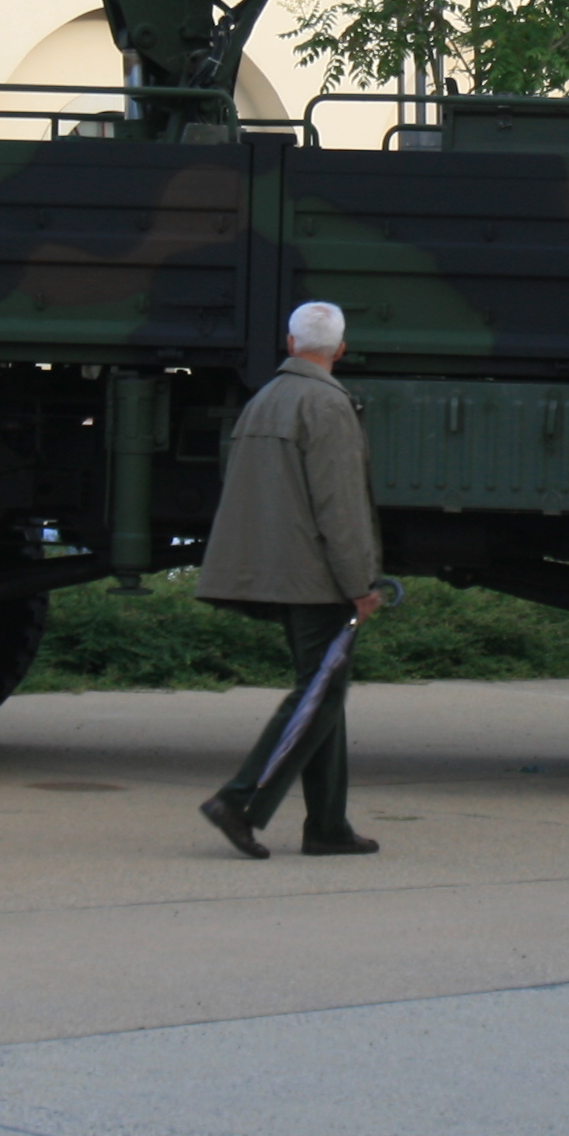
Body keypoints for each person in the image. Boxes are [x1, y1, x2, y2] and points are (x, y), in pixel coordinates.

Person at [194, 301, 388, 859]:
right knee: (317, 694)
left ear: (289, 343)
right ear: (342, 350)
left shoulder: (266, 399)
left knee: (324, 693)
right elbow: (340, 508)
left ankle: (327, 826)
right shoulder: (327, 405)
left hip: (279, 570)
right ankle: (240, 801)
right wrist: (361, 583)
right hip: (318, 578)